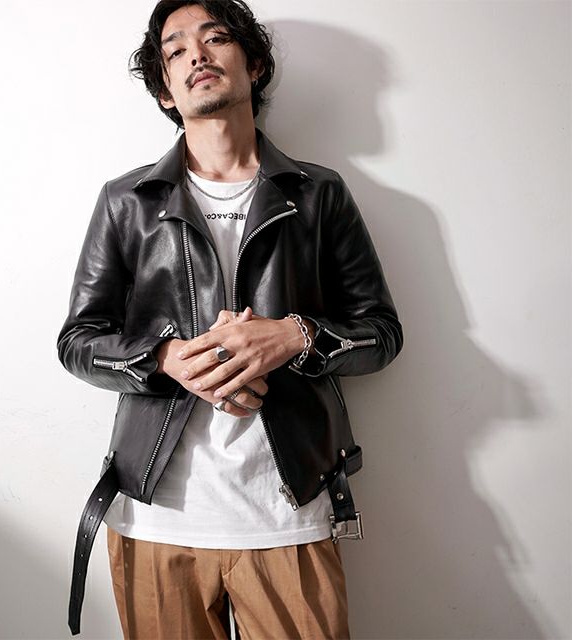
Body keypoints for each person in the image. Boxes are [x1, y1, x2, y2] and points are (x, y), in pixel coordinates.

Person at [57, 0, 403, 637]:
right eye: (175, 50)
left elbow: (381, 332)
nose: (197, 54)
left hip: (287, 511)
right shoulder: (127, 201)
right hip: (155, 517)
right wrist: (163, 358)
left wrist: (295, 335)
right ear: (166, 90)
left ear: (255, 64)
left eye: (215, 38)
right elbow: (78, 341)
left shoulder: (318, 193)